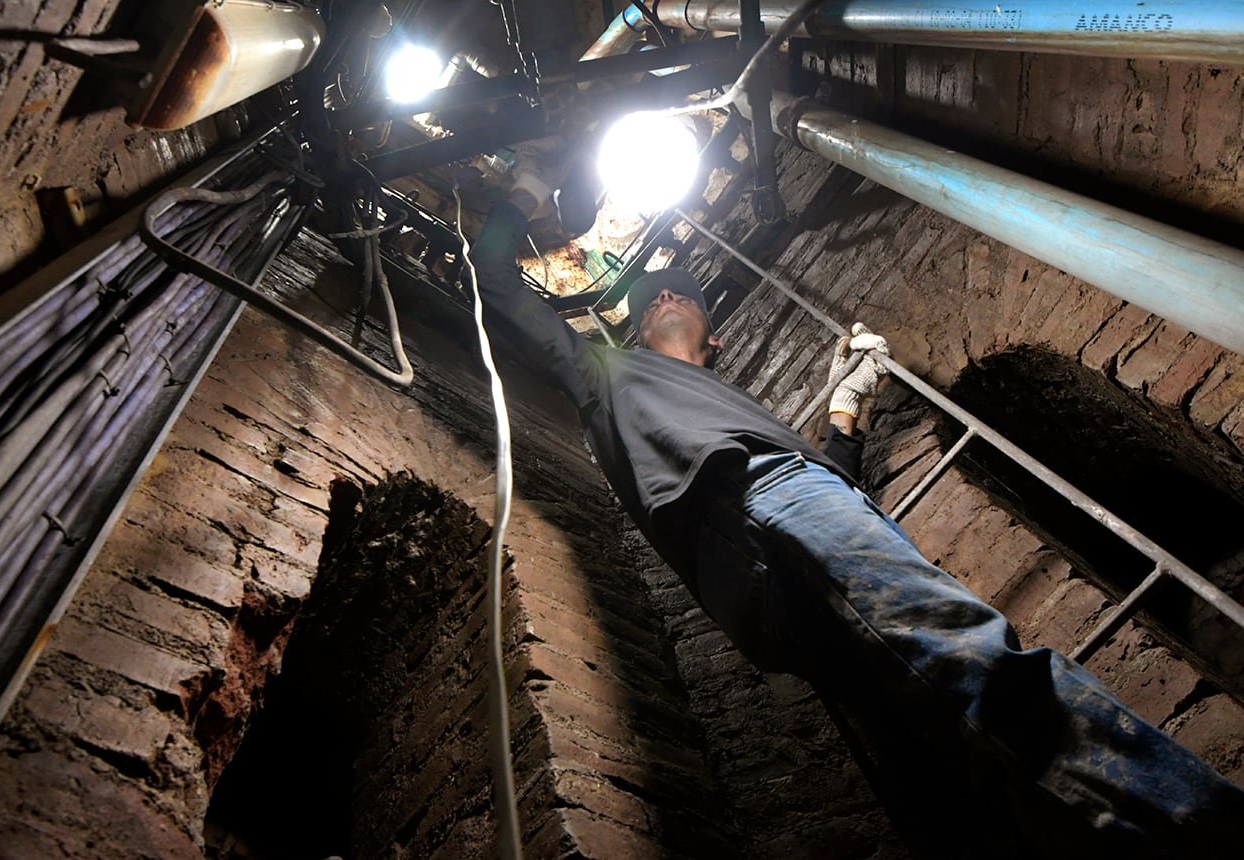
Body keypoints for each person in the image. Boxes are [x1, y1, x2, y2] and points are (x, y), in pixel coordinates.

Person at [467, 164, 1244, 857]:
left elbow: (830, 487)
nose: (664, 293)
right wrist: (523, 193)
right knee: (966, 654)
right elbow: (496, 280)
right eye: (649, 298)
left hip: (791, 529)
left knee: (936, 761)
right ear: (634, 327)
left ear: (717, 337)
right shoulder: (603, 372)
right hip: (757, 510)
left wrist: (844, 416)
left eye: (684, 293)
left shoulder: (729, 399)